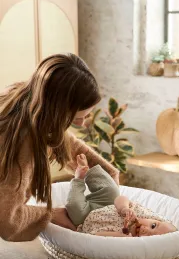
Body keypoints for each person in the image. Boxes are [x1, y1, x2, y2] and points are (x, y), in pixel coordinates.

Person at [0, 53, 120, 242]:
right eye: (75, 118)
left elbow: (66, 142)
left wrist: (106, 173)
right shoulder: (21, 141)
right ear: (58, 111)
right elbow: (8, 222)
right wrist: (51, 214)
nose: (80, 125)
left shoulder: (25, 98)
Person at [66, 154, 177, 237]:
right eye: (153, 225)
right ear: (154, 219)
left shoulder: (127, 241)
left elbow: (97, 235)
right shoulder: (140, 214)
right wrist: (124, 208)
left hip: (85, 217)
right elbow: (120, 199)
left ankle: (78, 179)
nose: (146, 230)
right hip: (105, 204)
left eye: (150, 236)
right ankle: (87, 171)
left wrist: (122, 237)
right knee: (112, 191)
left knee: (75, 208)